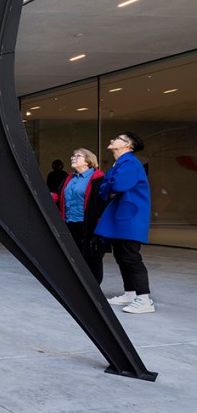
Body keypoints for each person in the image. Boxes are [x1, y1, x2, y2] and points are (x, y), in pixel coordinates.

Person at [95, 132, 154, 313]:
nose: (112, 139)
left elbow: (115, 185)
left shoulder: (130, 163)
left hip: (130, 217)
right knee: (122, 257)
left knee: (131, 257)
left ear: (128, 145)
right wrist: (107, 184)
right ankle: (130, 293)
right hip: (123, 216)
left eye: (118, 138)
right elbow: (107, 184)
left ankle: (144, 299)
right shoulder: (122, 163)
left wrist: (107, 184)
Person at [58, 148, 107, 282]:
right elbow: (59, 197)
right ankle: (78, 284)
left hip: (90, 224)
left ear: (88, 161)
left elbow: (103, 203)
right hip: (70, 223)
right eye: (72, 156)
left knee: (92, 257)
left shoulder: (98, 178)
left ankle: (93, 287)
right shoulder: (69, 178)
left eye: (78, 156)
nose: (73, 158)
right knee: (73, 255)